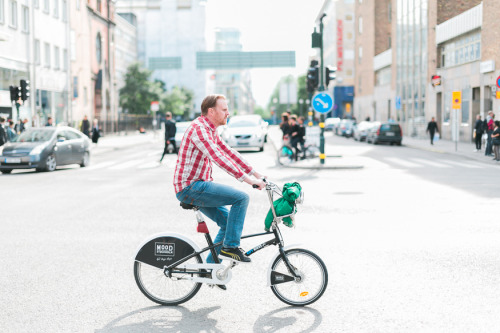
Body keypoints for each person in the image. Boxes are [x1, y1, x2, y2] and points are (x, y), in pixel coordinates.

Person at [173, 94, 265, 270]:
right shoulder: (199, 129)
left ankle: (211, 268)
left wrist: (257, 174)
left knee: (227, 222)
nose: (228, 113)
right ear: (211, 111)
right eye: (224, 110)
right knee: (241, 198)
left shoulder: (210, 129)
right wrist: (249, 181)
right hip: (191, 187)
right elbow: (218, 158)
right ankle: (230, 247)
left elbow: (228, 152)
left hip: (197, 186)